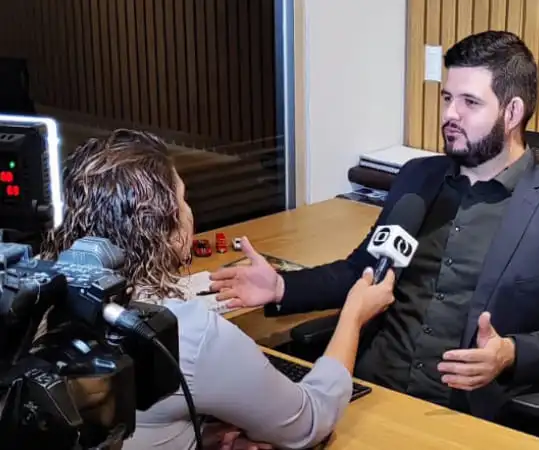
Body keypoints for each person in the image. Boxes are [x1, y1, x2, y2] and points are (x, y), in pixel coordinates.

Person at [209, 30, 539, 424]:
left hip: (460, 415)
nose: (449, 115)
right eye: (446, 98)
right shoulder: (417, 179)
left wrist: (510, 352)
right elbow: (362, 272)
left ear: (512, 112)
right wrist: (281, 288)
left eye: (469, 103)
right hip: (365, 390)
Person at [42, 129, 396, 450]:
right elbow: (309, 422)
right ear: (161, 224)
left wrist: (193, 437)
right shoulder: (185, 333)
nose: (188, 210)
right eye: (182, 198)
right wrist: (353, 316)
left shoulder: (38, 300)